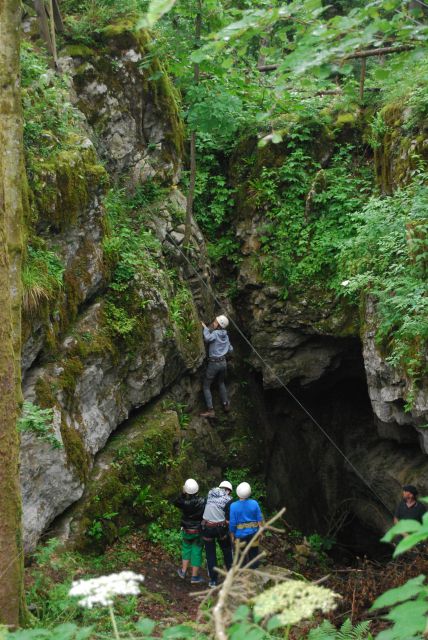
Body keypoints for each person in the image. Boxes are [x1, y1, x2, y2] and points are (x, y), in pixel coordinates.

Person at [172, 478, 206, 584]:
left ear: (186, 490)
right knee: (197, 551)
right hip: (198, 531)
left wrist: (183, 493)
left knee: (186, 549)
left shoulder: (184, 503)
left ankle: (183, 571)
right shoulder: (204, 501)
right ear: (198, 489)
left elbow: (176, 502)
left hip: (187, 530)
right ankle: (194, 577)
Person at [200, 315, 233, 418]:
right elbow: (230, 349)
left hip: (214, 363)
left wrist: (205, 328)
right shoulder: (226, 336)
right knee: (221, 382)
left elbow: (207, 338)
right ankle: (226, 404)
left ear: (218, 325)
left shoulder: (215, 333)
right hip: (223, 362)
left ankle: (211, 410)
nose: (213, 323)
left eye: (215, 322)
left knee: (206, 386)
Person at [201, 480, 233, 587]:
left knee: (210, 554)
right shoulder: (229, 500)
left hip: (206, 527)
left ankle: (213, 580)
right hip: (220, 529)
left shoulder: (210, 493)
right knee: (227, 551)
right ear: (228, 490)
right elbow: (228, 521)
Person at [229, 482, 263, 569]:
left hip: (240, 536)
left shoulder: (233, 506)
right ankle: (255, 577)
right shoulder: (254, 503)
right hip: (253, 534)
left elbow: (232, 524)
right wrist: (261, 532)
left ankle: (243, 578)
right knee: (254, 557)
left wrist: (232, 536)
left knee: (241, 559)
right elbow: (259, 519)